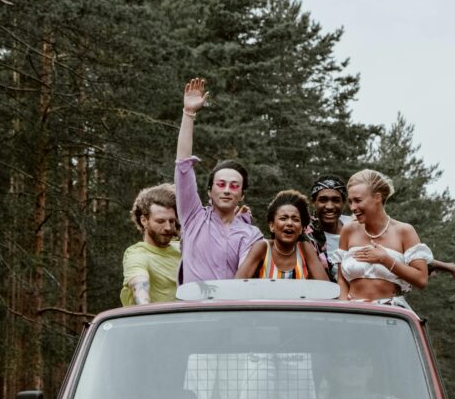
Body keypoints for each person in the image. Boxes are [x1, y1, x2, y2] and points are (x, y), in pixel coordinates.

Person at [308, 172, 455, 288]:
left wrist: (450, 268)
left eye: (336, 200)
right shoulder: (306, 233)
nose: (329, 206)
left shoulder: (354, 225)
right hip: (331, 298)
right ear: (313, 202)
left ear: (343, 203)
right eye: (323, 200)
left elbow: (399, 254)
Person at [176, 77, 263, 282]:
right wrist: (189, 114)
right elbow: (182, 168)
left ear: (241, 195)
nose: (226, 190)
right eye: (220, 184)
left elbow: (244, 279)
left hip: (230, 310)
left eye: (234, 186)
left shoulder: (251, 234)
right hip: (192, 310)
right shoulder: (192, 218)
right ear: (209, 191)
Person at [335, 168, 433, 302]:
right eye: (350, 202)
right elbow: (341, 279)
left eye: (358, 200)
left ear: (377, 197)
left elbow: (421, 280)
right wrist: (344, 307)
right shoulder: (348, 231)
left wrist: (385, 259)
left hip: (389, 313)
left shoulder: (404, 231)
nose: (352, 207)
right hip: (353, 311)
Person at [236, 190, 329, 280]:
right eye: (283, 218)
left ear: (301, 228)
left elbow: (325, 287)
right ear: (271, 225)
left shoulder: (305, 249)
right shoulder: (262, 247)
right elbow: (238, 284)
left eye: (295, 219)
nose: (289, 223)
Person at [120, 184, 180, 306]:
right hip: (151, 322)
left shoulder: (183, 249)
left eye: (171, 221)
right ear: (144, 221)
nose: (168, 227)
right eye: (160, 221)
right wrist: (144, 306)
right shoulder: (137, 254)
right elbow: (140, 291)